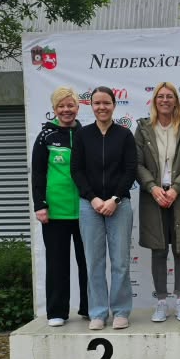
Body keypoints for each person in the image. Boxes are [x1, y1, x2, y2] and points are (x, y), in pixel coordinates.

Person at [134, 81, 180, 323]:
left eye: (169, 96)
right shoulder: (143, 128)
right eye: (160, 96)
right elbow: (137, 163)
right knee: (159, 249)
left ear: (176, 101)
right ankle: (161, 303)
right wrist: (153, 187)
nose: (165, 100)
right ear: (154, 101)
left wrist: (175, 189)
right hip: (153, 197)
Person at [70, 86, 137, 329]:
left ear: (114, 105)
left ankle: (121, 311)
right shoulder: (82, 135)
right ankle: (98, 313)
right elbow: (76, 170)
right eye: (97, 103)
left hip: (119, 205)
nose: (102, 107)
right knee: (94, 262)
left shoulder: (125, 135)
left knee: (120, 262)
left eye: (106, 103)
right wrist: (93, 198)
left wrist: (114, 199)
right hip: (90, 206)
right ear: (91, 106)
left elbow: (130, 170)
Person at [30, 86, 89, 326]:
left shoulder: (86, 134)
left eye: (70, 105)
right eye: (61, 106)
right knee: (57, 262)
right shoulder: (45, 136)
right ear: (54, 109)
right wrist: (40, 204)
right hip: (55, 211)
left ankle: (90, 308)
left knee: (88, 262)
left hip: (85, 209)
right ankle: (56, 312)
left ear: (77, 107)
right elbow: (38, 173)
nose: (66, 110)